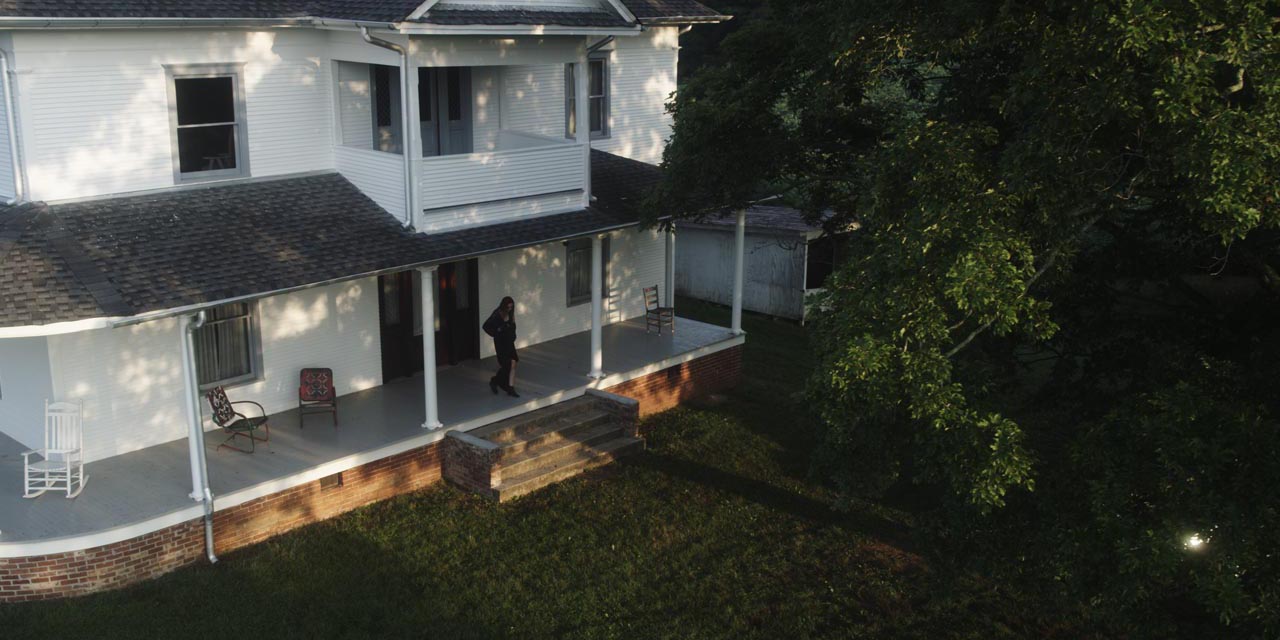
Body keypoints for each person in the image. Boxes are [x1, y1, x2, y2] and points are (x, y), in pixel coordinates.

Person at [482, 296, 520, 398]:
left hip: (509, 342)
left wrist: (512, 333)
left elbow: (513, 326)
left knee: (513, 363)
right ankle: (495, 380)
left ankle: (510, 388)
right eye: (508, 307)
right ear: (503, 306)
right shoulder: (497, 314)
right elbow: (485, 326)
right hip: (501, 344)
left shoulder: (511, 314)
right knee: (506, 365)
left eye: (511, 307)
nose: (510, 309)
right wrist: (497, 331)